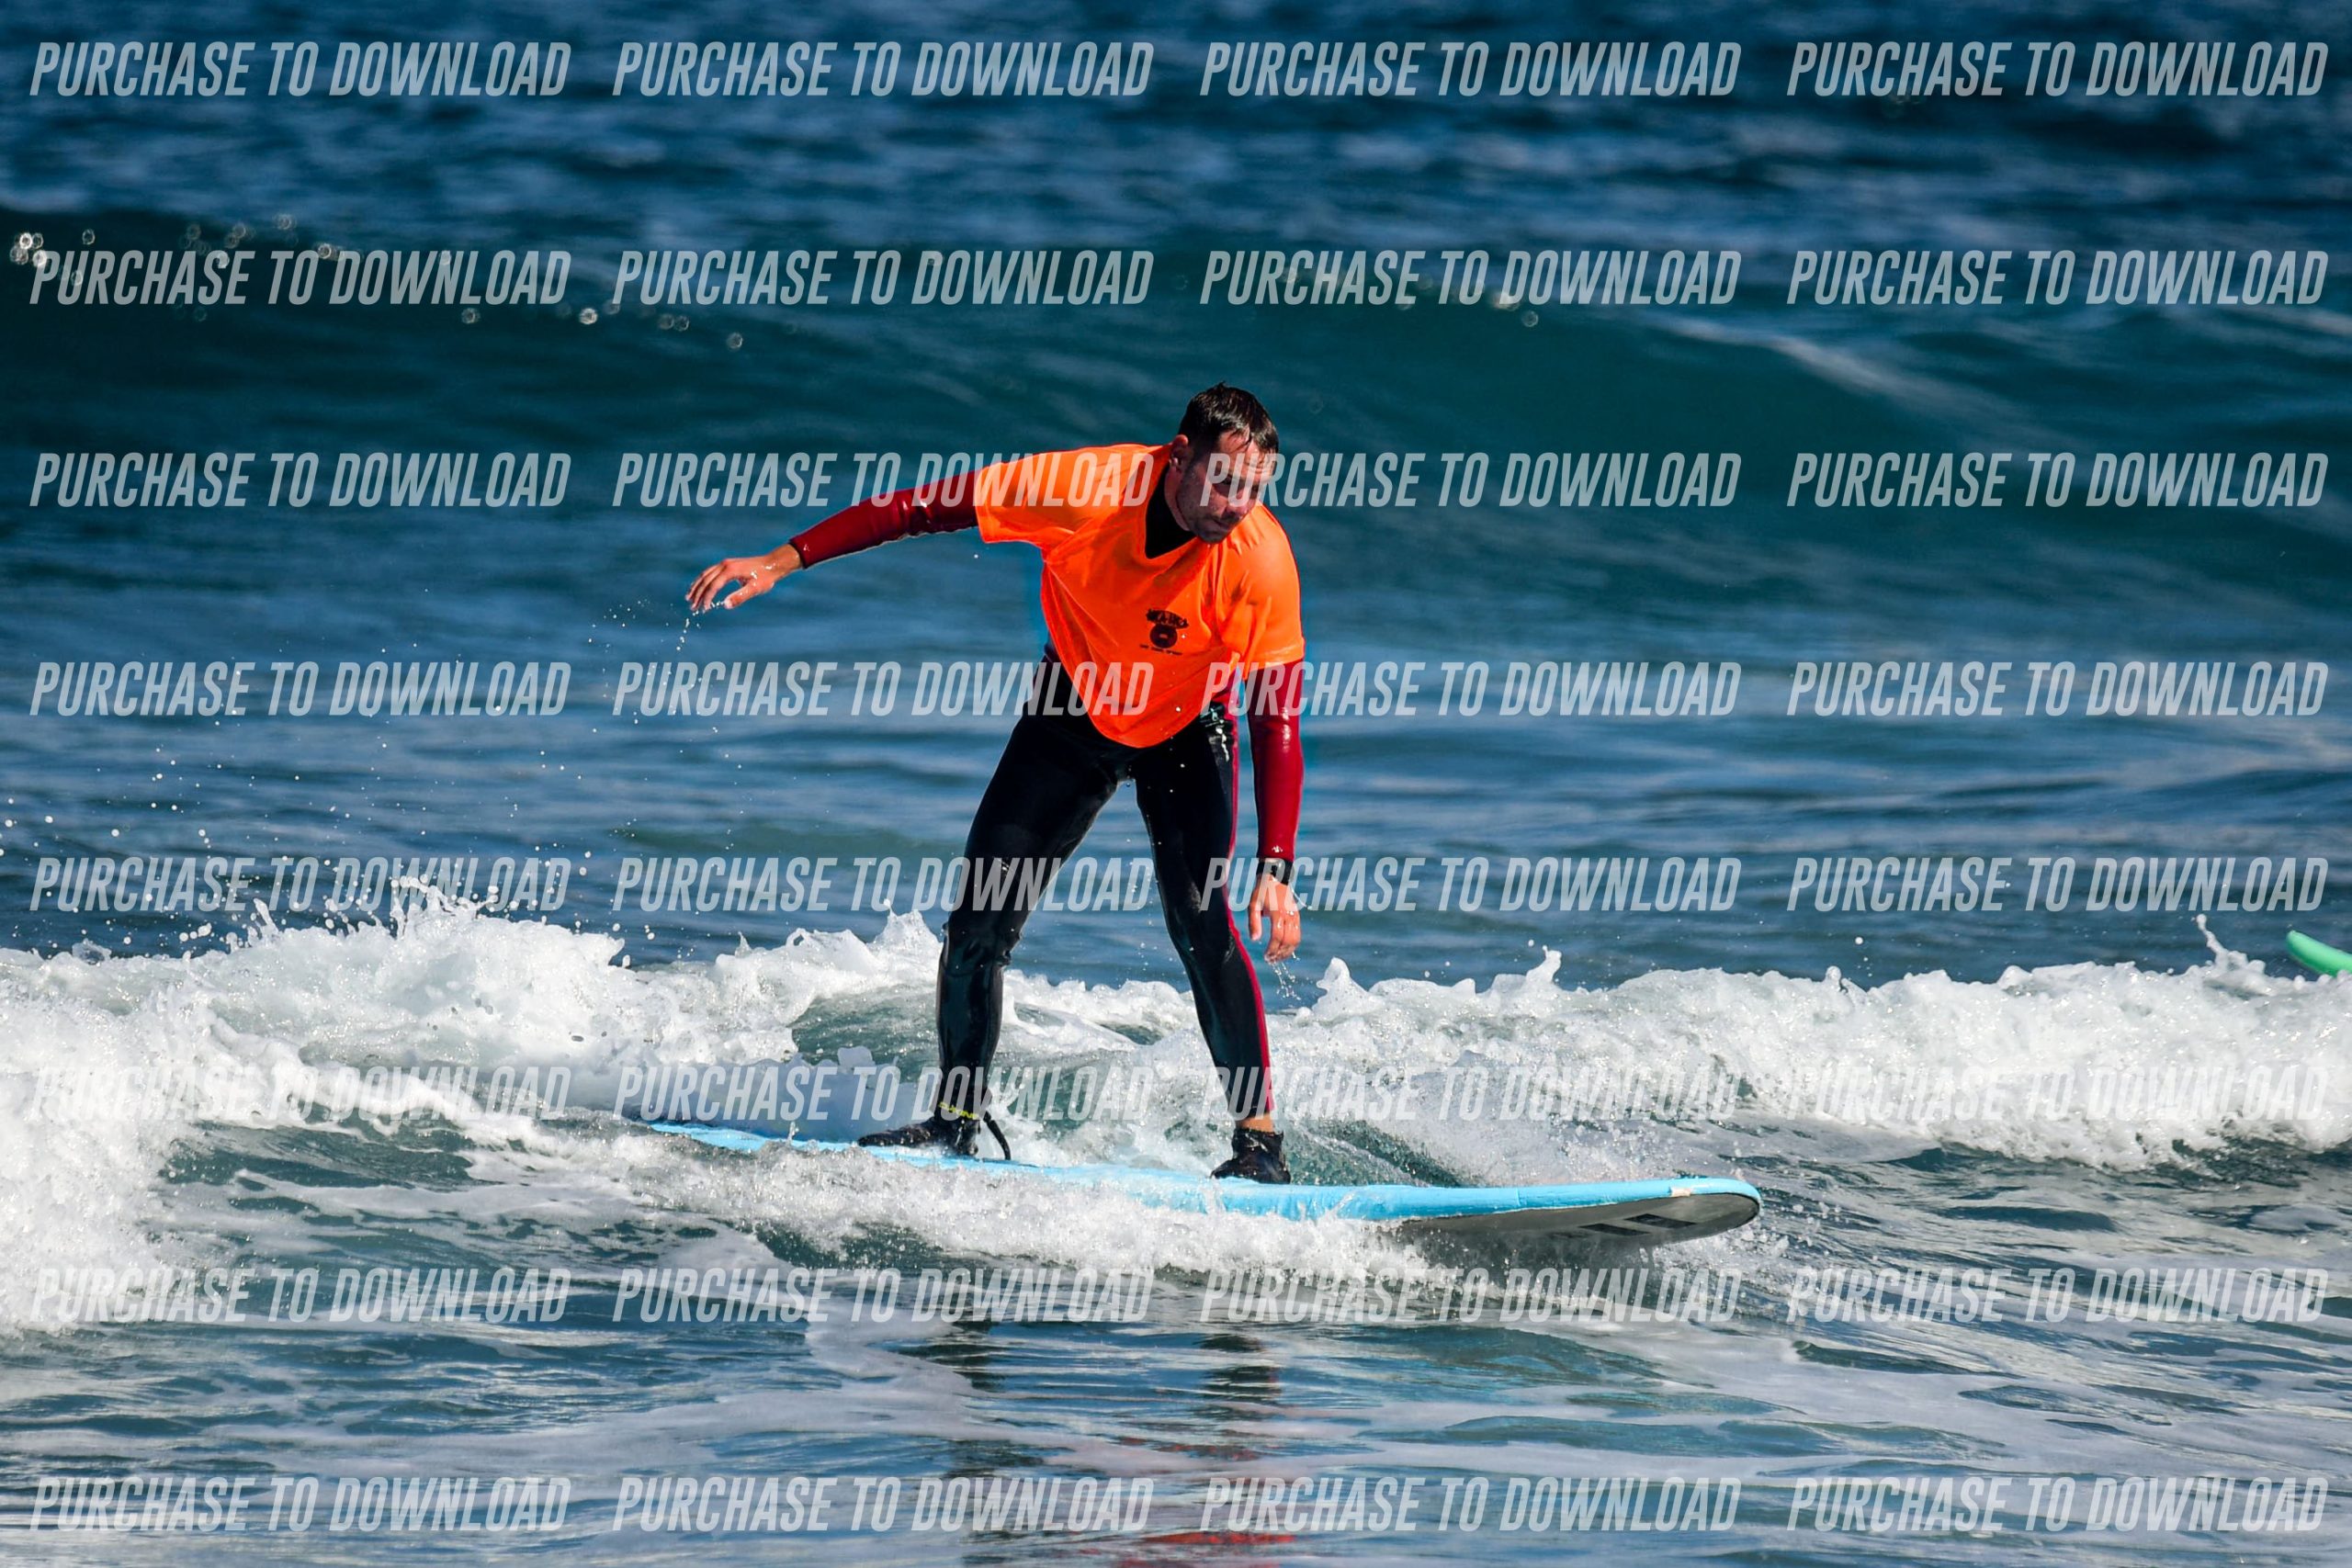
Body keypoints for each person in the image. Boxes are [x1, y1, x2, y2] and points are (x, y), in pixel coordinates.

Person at [687, 385, 1307, 1182]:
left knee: (1202, 924)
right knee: (977, 923)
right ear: (1179, 456)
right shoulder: (1082, 490)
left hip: (1187, 728)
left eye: (1255, 488)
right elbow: (920, 508)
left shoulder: (1258, 555)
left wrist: (1277, 864)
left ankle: (1259, 1144)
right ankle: (955, 1122)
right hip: (1073, 708)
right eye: (1225, 482)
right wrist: (785, 558)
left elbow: (1276, 715)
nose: (1239, 505)